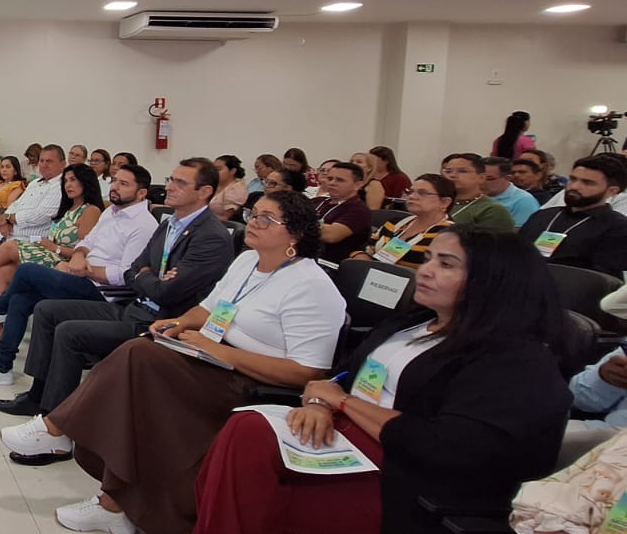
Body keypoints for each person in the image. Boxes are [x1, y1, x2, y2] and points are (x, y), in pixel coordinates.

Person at [4, 190, 344, 534]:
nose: (253, 223)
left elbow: (307, 371)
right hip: (211, 357)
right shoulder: (247, 261)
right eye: (253, 214)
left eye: (266, 219)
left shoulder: (311, 286)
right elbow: (208, 309)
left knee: (140, 358)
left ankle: (59, 431)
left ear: (296, 233)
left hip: (250, 382)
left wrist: (221, 352)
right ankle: (112, 501)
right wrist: (179, 323)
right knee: (141, 357)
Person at [195, 227, 571, 534]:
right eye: (428, 259)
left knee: (248, 440)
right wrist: (320, 403)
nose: (425, 271)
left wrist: (343, 403)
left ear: (493, 281)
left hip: (402, 473)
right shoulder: (412, 323)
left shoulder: (514, 360)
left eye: (446, 264)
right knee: (245, 434)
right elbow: (340, 377)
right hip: (343, 434)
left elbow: (448, 447)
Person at [0, 161, 235, 422]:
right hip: (135, 306)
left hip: (159, 321)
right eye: (171, 179)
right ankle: (38, 396)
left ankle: (56, 418)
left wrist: (146, 275)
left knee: (67, 328)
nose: (170, 187)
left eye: (181, 183)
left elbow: (165, 291)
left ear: (205, 191)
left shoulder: (211, 236)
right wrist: (148, 275)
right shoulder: (169, 224)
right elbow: (134, 271)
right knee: (46, 310)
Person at [0, 164, 140, 385]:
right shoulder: (109, 213)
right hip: (77, 270)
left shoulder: (130, 222)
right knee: (19, 297)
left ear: (141, 193)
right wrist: (79, 256)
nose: (115, 186)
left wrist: (75, 263)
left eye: (123, 183)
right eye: (66, 180)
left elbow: (127, 274)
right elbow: (87, 244)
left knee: (25, 269)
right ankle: (2, 368)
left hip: (99, 288)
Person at [0, 162, 103, 299]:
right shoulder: (67, 208)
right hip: (49, 251)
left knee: (11, 246)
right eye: (66, 181)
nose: (68, 185)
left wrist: (55, 248)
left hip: (63, 261)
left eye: (73, 180)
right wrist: (7, 218)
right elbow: (14, 206)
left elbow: (84, 251)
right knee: (2, 271)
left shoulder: (89, 211)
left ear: (85, 182)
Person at [0, 146, 68, 299]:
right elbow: (15, 205)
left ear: (63, 164)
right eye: (42, 161)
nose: (44, 165)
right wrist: (5, 218)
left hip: (29, 238)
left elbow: (39, 216)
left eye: (49, 161)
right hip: (9, 232)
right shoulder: (35, 183)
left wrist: (9, 218)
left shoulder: (60, 186)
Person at [518, 154, 627, 276]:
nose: (574, 186)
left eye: (587, 183)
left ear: (611, 191)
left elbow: (603, 278)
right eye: (573, 179)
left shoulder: (618, 227)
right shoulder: (543, 215)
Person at [351, 174, 455, 269]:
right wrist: (361, 256)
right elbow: (366, 248)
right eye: (410, 191)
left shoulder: (450, 235)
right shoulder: (395, 223)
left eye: (422, 193)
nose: (412, 196)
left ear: (445, 202)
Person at [312, 162, 373, 265]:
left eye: (340, 180)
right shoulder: (317, 201)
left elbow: (331, 235)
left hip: (330, 266)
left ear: (357, 185)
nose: (332, 183)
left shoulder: (359, 210)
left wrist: (296, 223)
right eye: (330, 178)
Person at [440, 153, 516, 230]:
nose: (452, 175)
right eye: (448, 171)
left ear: (482, 177)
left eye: (462, 171)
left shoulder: (492, 210)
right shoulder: (439, 202)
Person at [480, 156, 540, 227]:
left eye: (489, 179)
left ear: (507, 178)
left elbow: (519, 232)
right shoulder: (474, 195)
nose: (482, 182)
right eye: (480, 178)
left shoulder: (524, 201)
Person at [210, 155, 248, 221]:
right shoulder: (212, 185)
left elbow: (227, 219)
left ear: (232, 171)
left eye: (218, 169)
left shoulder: (236, 189)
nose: (214, 172)